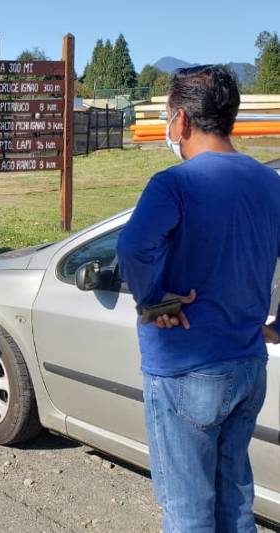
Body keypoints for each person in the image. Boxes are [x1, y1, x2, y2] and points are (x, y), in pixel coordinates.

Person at [116, 65, 278, 532]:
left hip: (186, 370)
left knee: (188, 513)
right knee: (235, 504)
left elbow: (131, 247)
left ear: (181, 120)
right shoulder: (270, 184)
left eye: (169, 115)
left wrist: (151, 301)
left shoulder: (175, 184)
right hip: (248, 366)